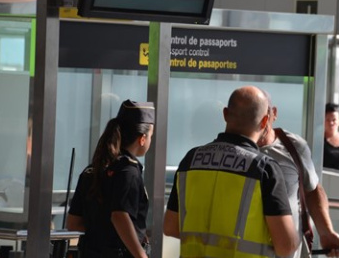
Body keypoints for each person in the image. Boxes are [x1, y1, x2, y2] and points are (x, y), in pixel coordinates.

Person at [163, 86, 299, 258]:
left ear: (225, 114)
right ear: (265, 122)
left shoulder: (191, 160)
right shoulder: (264, 168)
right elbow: (286, 246)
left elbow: (170, 227)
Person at [258, 96, 339, 257]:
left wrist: (326, 232)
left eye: (261, 115)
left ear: (273, 114)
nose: (259, 123)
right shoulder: (236, 149)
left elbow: (313, 190)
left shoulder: (292, 145)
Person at [66, 100, 155, 258]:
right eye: (150, 136)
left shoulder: (92, 169)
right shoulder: (129, 172)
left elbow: (74, 223)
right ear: (142, 139)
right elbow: (119, 216)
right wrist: (141, 255)